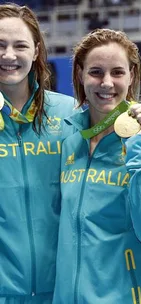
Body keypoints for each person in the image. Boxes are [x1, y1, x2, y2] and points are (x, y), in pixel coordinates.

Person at [52, 28, 141, 304]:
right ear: (80, 75)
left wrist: (137, 148)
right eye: (96, 72)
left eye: (117, 73)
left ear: (131, 75)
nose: (106, 83)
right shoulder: (70, 138)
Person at [0, 3, 77, 304]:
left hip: (62, 290)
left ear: (35, 52)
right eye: (0, 45)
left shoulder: (67, 114)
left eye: (20, 45)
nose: (8, 55)